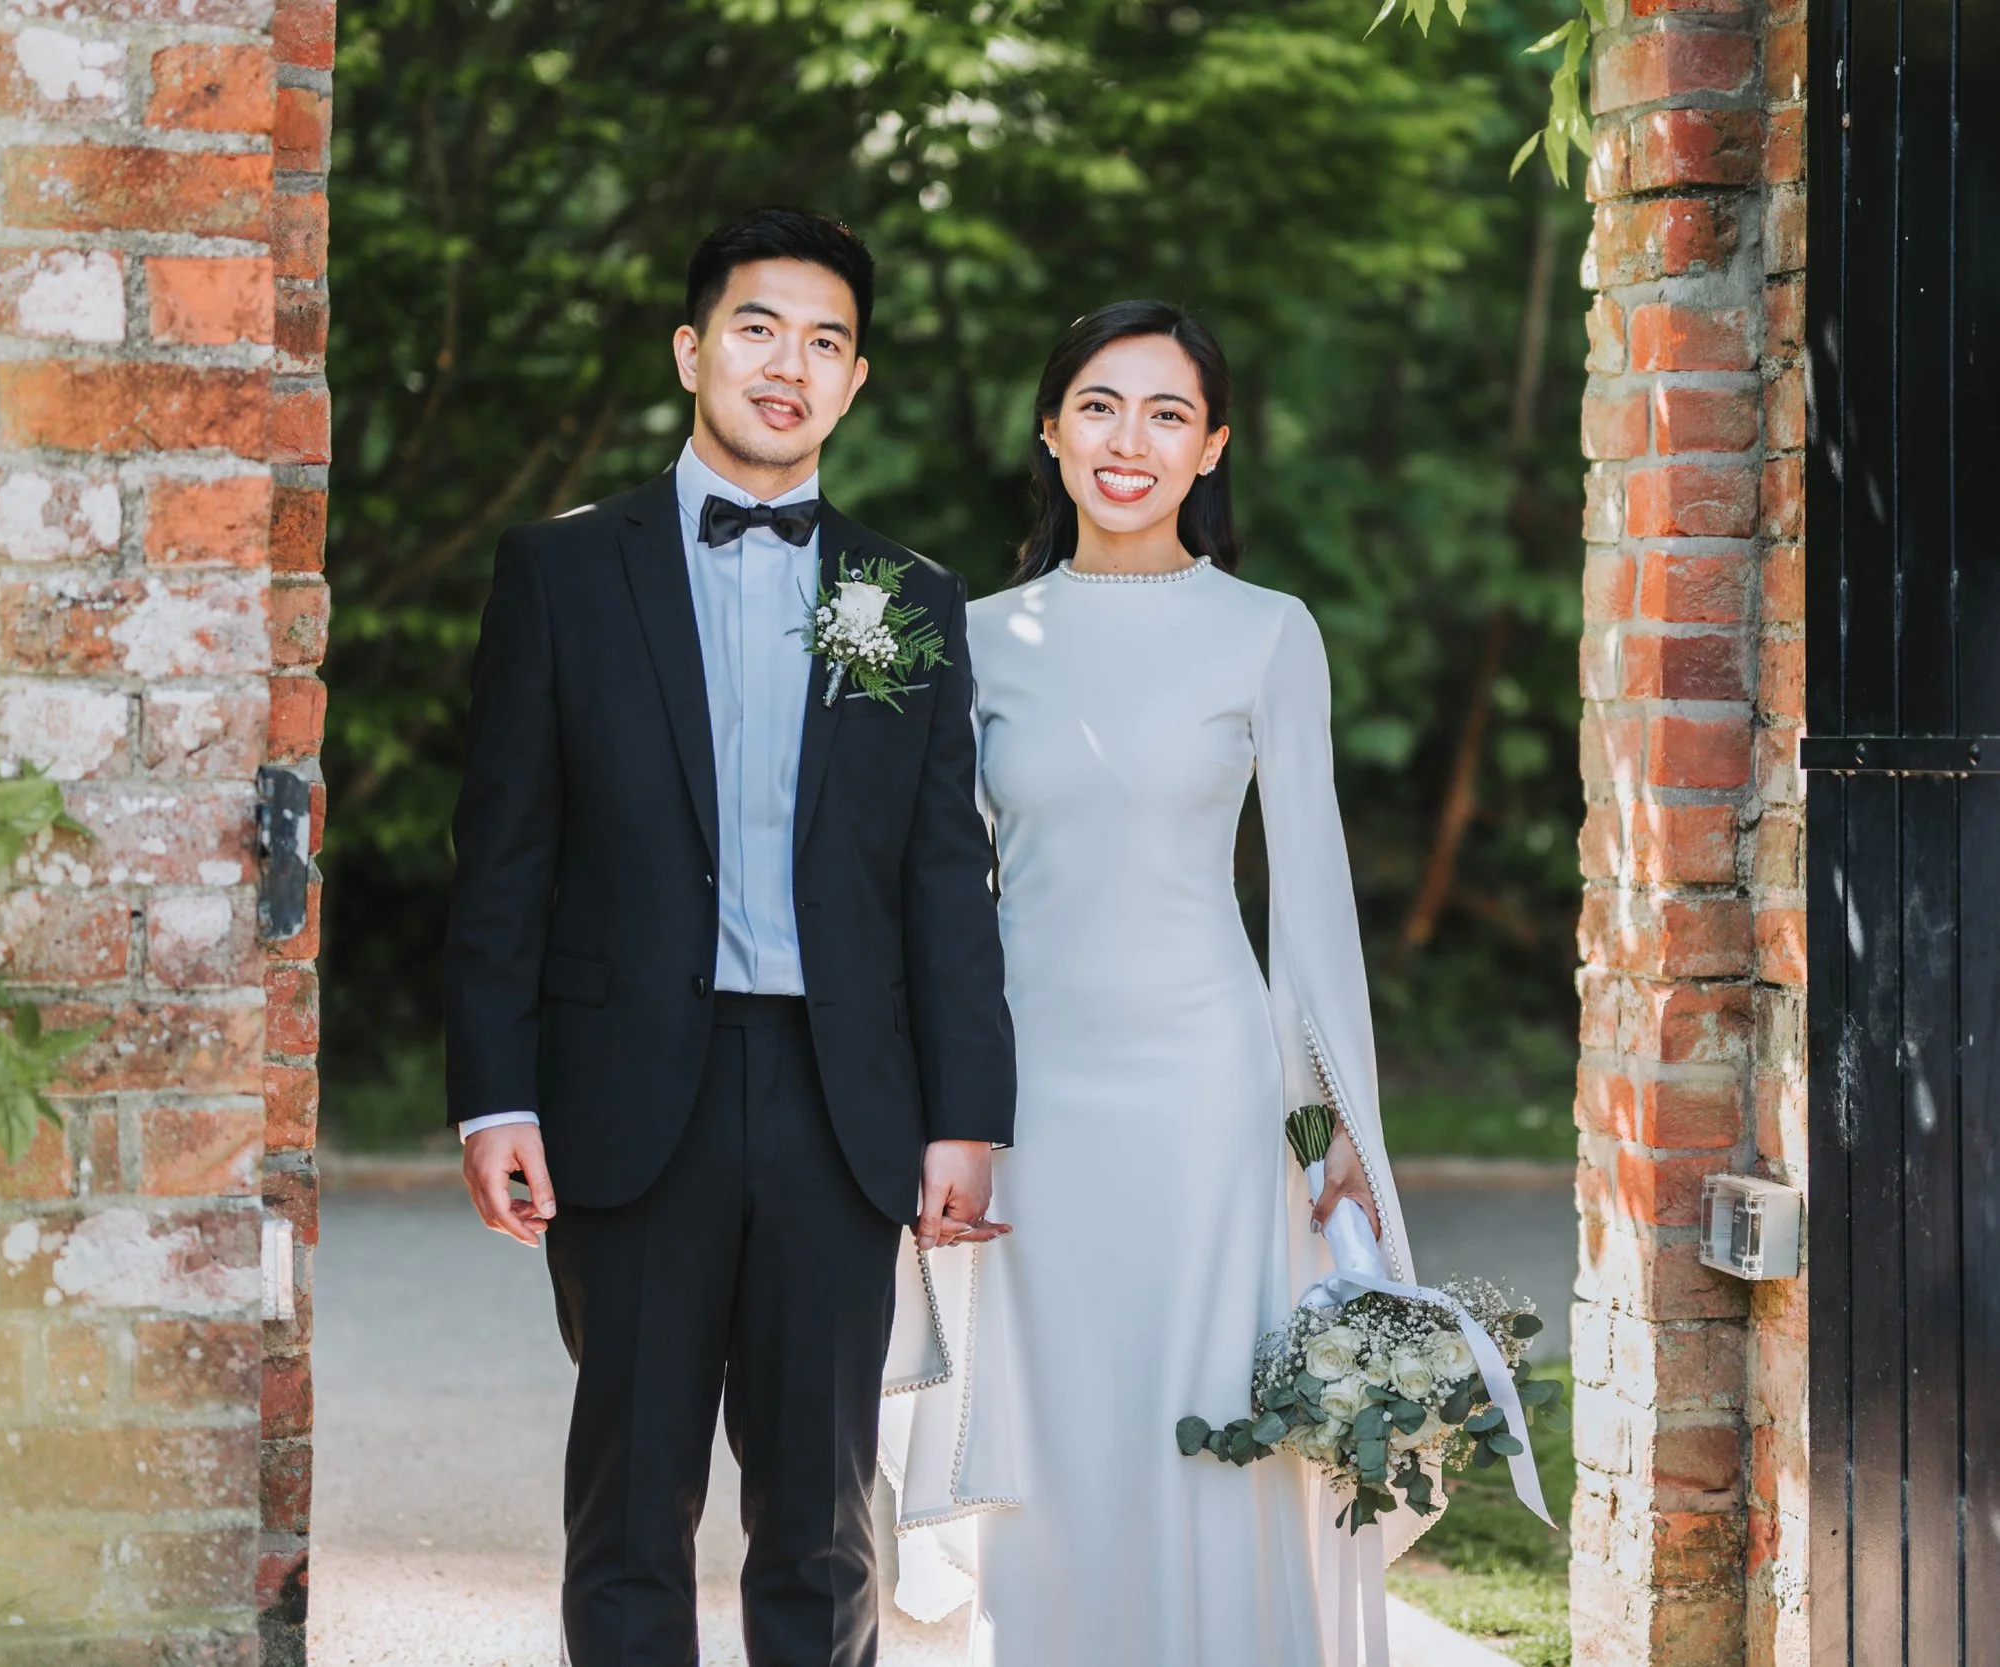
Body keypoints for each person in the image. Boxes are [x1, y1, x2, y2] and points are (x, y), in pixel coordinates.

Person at [441, 206, 1017, 1667]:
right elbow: (505, 857)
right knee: (630, 1502)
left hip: (841, 1102)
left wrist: (967, 1115)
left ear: (856, 381)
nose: (790, 364)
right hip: (631, 1089)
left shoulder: (906, 600)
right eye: (760, 328)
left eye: (827, 342)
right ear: (694, 349)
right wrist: (493, 1091)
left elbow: (946, 880)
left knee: (824, 1513)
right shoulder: (562, 574)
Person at [902, 300, 1421, 1663]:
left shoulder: (1266, 631)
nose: (1130, 441)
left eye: (1168, 413)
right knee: (1056, 1431)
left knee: (1208, 1430)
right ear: (1051, 431)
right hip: (1031, 1098)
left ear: (1214, 448)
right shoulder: (973, 633)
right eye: (1099, 406)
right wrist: (942, 1105)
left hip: (1208, 1099)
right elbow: (948, 897)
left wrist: (1336, 1129)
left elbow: (1309, 900)